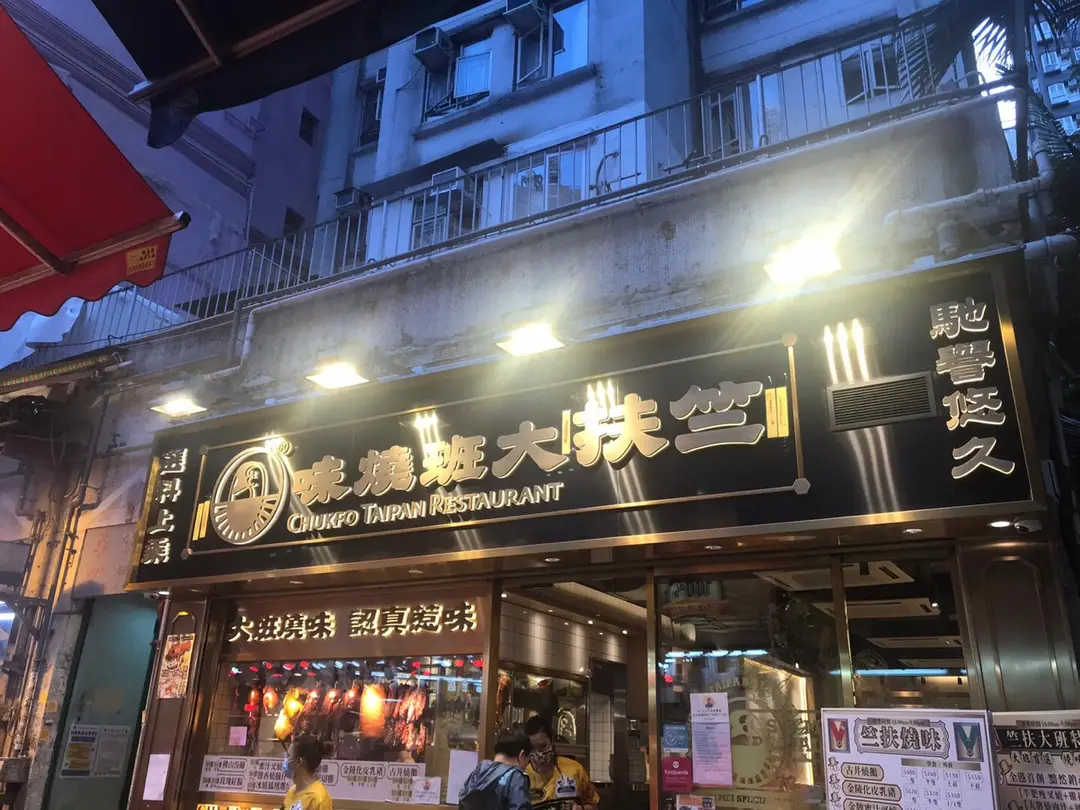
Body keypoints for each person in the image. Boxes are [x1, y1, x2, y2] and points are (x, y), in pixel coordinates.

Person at [524, 716, 599, 810]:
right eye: (533, 748)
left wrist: (581, 808)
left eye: (543, 746)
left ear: (552, 741)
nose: (539, 753)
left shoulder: (575, 769)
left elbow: (593, 805)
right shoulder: (523, 777)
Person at [459, 729, 533, 810]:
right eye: (528, 760)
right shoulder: (515, 777)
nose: (527, 765)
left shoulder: (478, 773)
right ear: (522, 755)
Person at [282, 735, 332, 810]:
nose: (285, 760)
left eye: (288, 756)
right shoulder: (291, 792)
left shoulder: (319, 798)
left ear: (299, 761)